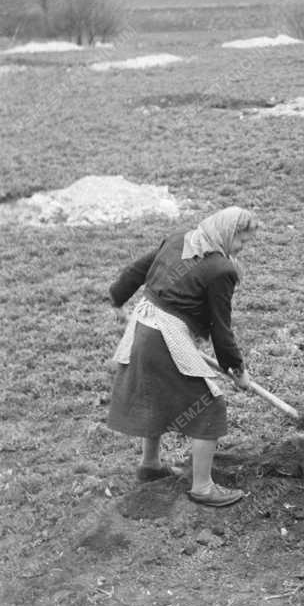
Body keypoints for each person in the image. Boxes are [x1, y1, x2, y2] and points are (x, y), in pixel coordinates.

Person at [107, 206, 258, 507]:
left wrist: (117, 296)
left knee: (156, 394)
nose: (243, 247)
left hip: (142, 325)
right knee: (210, 405)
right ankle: (203, 487)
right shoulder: (221, 270)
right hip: (164, 336)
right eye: (242, 239)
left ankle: (150, 466)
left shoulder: (181, 238)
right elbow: (220, 328)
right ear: (227, 233)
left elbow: (138, 271)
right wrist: (236, 369)